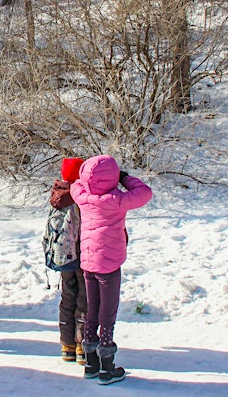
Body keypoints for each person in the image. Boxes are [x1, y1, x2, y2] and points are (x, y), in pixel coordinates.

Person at [70, 155, 152, 385]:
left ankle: (90, 363)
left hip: (88, 261)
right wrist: (125, 178)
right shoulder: (117, 200)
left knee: (92, 309)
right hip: (109, 263)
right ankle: (107, 366)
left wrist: (89, 180)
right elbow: (145, 192)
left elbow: (76, 183)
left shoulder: (83, 197)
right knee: (108, 312)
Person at [45, 157, 87, 364]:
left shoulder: (58, 194)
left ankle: (66, 345)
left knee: (67, 297)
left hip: (63, 255)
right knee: (84, 300)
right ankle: (81, 345)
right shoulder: (80, 195)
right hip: (81, 254)